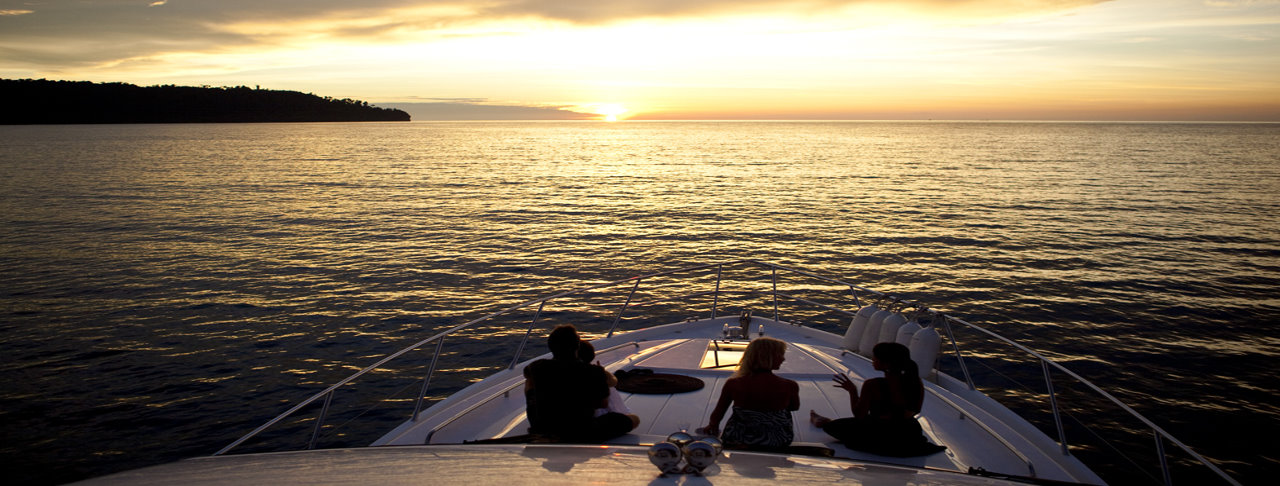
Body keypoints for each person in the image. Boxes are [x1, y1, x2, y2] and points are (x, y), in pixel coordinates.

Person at [809, 341, 946, 456]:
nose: (873, 360)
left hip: (879, 434)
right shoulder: (916, 382)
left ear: (886, 363)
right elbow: (914, 411)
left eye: (875, 358)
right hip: (909, 434)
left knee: (833, 427)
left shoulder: (873, 385)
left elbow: (859, 415)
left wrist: (852, 391)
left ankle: (823, 421)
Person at [523, 324, 637, 442]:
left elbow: (527, 373)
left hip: (542, 429)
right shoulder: (593, 372)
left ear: (551, 347)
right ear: (577, 346)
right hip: (582, 431)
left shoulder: (537, 367)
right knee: (634, 419)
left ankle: (540, 425)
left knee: (530, 381)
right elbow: (602, 404)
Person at [700, 337, 800, 448]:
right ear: (768, 357)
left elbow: (718, 414)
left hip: (738, 439)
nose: (783, 359)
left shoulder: (733, 384)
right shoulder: (790, 385)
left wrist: (712, 426)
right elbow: (794, 407)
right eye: (780, 355)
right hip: (778, 441)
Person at [577, 341, 637, 421]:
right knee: (634, 420)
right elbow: (613, 382)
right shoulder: (594, 373)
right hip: (594, 416)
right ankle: (621, 417)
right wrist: (601, 373)